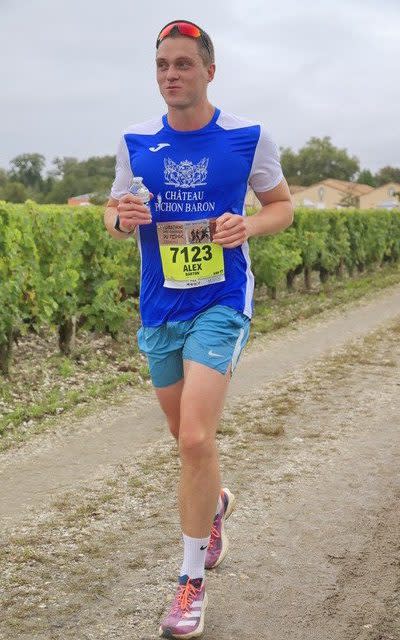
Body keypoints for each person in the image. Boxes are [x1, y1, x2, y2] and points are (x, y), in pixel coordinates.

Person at [104, 19, 293, 639]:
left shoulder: (247, 138)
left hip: (221, 299)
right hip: (160, 306)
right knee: (184, 439)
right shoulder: (135, 143)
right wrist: (120, 219)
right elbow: (113, 209)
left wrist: (248, 227)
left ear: (209, 71)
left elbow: (281, 207)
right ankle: (213, 507)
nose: (171, 76)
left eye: (183, 64)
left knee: (193, 438)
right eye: (162, 65)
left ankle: (190, 582)